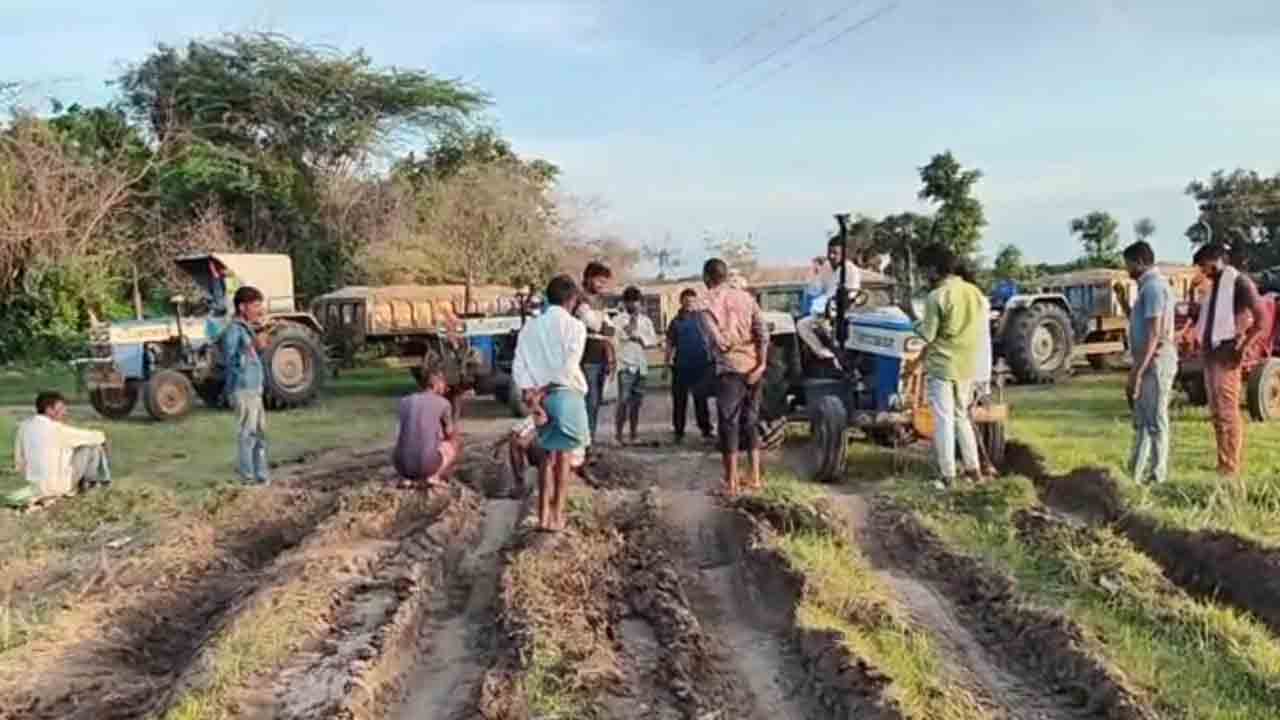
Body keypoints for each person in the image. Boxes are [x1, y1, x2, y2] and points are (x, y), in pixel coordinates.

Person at [513, 274, 590, 531]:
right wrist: (546, 387)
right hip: (565, 393)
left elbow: (519, 365)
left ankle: (543, 515)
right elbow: (569, 366)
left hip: (539, 397)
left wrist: (531, 393)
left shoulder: (530, 327)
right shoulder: (575, 327)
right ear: (572, 299)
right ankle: (558, 515)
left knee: (547, 456)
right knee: (564, 457)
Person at [1193, 242, 1268, 481]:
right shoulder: (1214, 286)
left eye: (1204, 265)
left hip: (1227, 356)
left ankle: (1231, 466)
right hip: (1211, 355)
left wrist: (1244, 346)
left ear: (1217, 259)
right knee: (1216, 413)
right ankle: (1222, 462)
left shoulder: (1240, 283)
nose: (1202, 270)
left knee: (1227, 412)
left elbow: (1262, 320)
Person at [914, 247, 987, 487]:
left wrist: (914, 325)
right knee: (962, 417)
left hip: (942, 366)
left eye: (925, 270)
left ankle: (947, 476)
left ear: (935, 270)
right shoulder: (975, 292)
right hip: (967, 364)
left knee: (943, 420)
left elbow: (927, 335)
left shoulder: (937, 297)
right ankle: (973, 470)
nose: (925, 275)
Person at [698, 258, 768, 496]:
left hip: (729, 369)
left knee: (729, 424)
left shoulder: (706, 303)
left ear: (706, 278)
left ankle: (731, 482)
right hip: (754, 368)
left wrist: (726, 345)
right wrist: (761, 364)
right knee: (751, 421)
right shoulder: (746, 298)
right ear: (726, 275)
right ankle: (755, 477)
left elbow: (717, 341)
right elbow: (763, 332)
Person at [1121, 242, 1179, 485]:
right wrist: (1123, 301)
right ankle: (1135, 473)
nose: (1126, 269)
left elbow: (1155, 334)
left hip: (1155, 362)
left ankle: (1157, 476)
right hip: (1147, 361)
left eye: (1129, 264)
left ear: (1141, 262)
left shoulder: (1154, 288)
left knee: (1155, 420)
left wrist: (1137, 370)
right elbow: (1140, 325)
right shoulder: (1146, 289)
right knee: (1143, 422)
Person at [8, 392, 111, 509]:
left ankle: (93, 483)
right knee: (93, 447)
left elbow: (19, 462)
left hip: (36, 486)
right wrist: (103, 442)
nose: (65, 412)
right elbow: (96, 436)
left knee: (79, 445)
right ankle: (95, 484)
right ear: (49, 410)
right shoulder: (57, 429)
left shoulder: (24, 426)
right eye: (61, 408)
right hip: (57, 486)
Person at [223, 286, 271, 485]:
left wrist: (258, 344)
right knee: (248, 434)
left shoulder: (248, 328)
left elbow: (252, 355)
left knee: (259, 434)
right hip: (243, 388)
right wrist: (252, 345)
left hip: (254, 388)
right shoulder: (234, 329)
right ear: (242, 307)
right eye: (255, 305)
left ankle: (261, 477)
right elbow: (230, 356)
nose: (259, 310)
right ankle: (248, 478)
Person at [393, 366, 461, 489]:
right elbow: (449, 433)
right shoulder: (443, 403)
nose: (446, 387)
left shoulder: (404, 401)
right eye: (444, 383)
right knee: (453, 442)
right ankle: (434, 476)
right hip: (427, 464)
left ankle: (406, 478)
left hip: (400, 465)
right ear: (438, 384)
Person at [797, 236, 862, 362]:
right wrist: (814, 273)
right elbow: (815, 287)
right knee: (802, 324)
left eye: (835, 253)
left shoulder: (851, 270)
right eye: (829, 252)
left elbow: (851, 295)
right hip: (825, 310)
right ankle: (825, 355)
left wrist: (833, 305)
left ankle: (842, 360)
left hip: (843, 312)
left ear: (844, 254)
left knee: (829, 328)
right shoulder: (826, 266)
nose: (831, 256)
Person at [666, 288, 715, 444]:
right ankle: (678, 432)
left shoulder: (703, 318)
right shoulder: (675, 322)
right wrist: (666, 362)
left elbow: (713, 338)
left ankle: (706, 430)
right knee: (679, 401)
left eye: (692, 301)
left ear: (696, 302)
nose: (689, 304)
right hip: (681, 366)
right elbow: (669, 344)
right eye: (686, 301)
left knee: (701, 400)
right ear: (681, 302)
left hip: (701, 365)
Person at [575, 262, 615, 448]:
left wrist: (604, 327)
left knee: (596, 402)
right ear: (589, 278)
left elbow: (611, 328)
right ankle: (584, 443)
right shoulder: (580, 300)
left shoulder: (598, 301)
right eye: (599, 280)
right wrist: (603, 326)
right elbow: (597, 325)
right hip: (586, 357)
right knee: (588, 402)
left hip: (599, 357)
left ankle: (589, 440)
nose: (601, 285)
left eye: (604, 282)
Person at [614, 286, 658, 445]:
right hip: (625, 365)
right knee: (623, 401)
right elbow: (624, 335)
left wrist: (640, 338)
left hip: (641, 366)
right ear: (625, 303)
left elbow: (652, 341)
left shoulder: (646, 321)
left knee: (636, 402)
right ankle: (618, 435)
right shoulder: (618, 320)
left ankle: (633, 434)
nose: (634, 305)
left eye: (637, 302)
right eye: (631, 302)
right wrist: (634, 333)